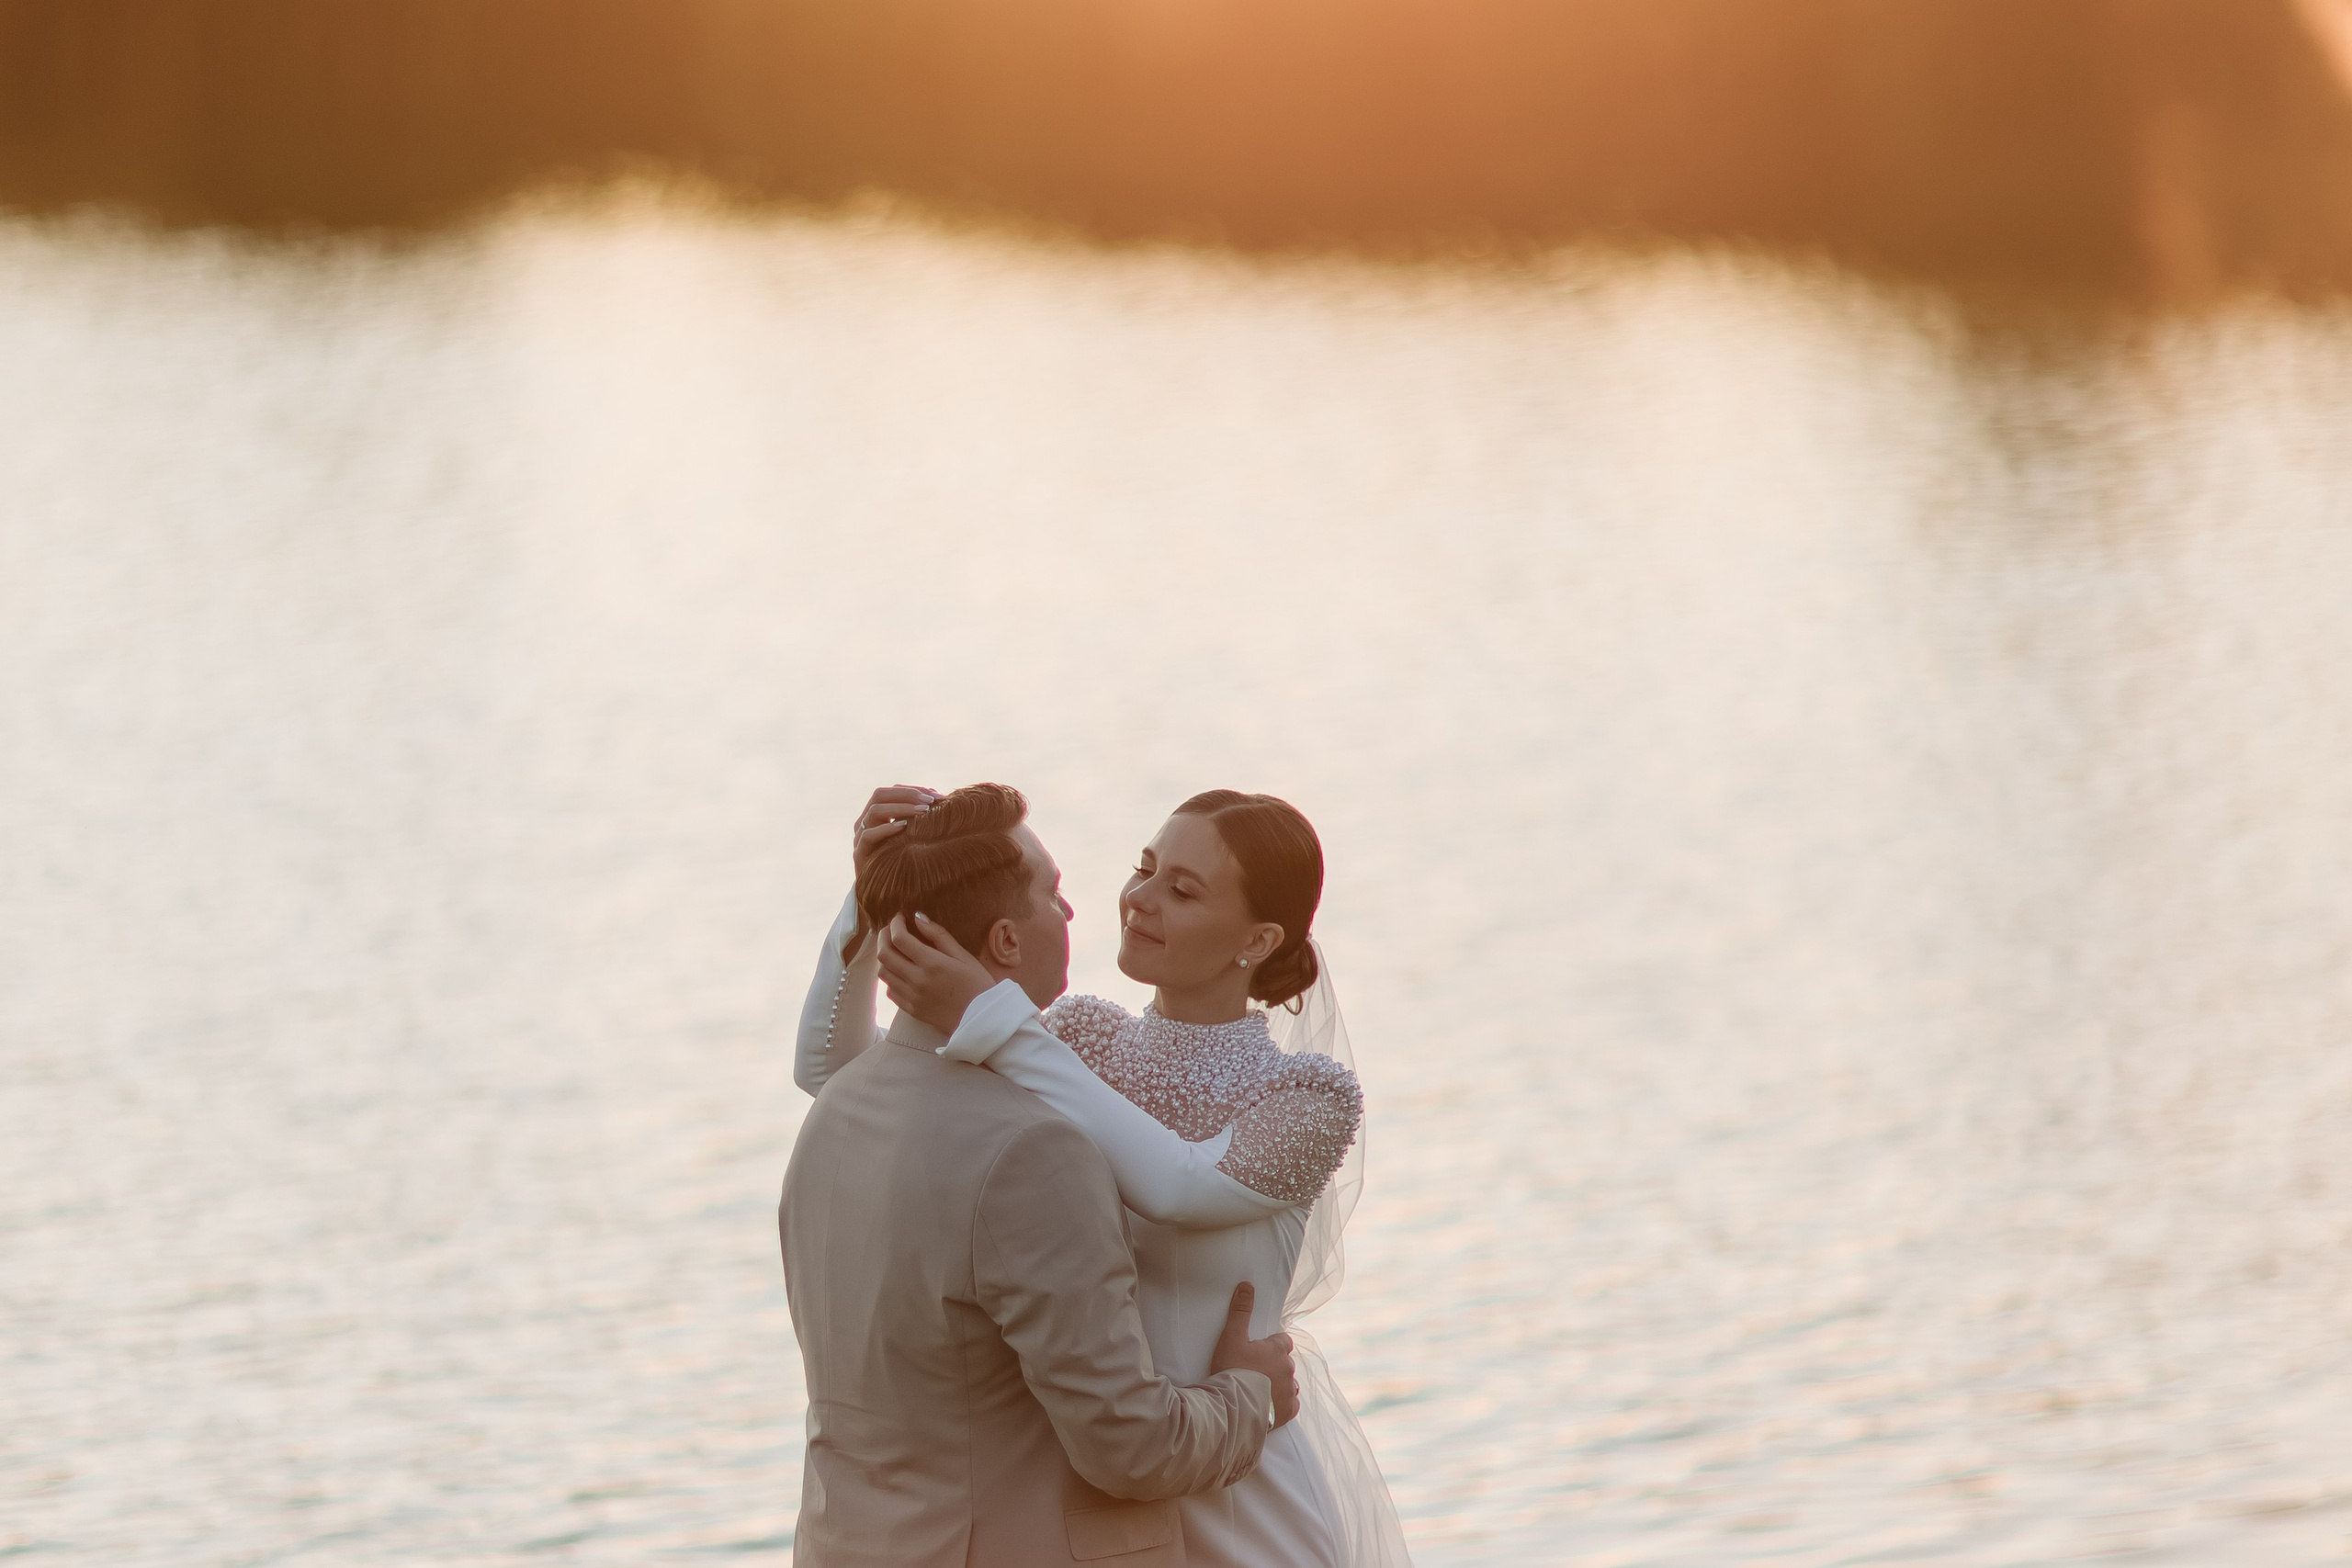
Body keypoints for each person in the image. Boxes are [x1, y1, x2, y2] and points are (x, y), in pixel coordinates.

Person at [800, 784, 1413, 1567]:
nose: (1136, 900)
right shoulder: (1078, 1040)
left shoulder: (1307, 1097)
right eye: (1144, 868)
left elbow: (1180, 1187)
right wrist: (871, 907)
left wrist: (999, 1019)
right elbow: (851, 1077)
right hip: (1099, 1491)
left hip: (1239, 1482)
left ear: (1256, 939)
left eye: (1181, 890)